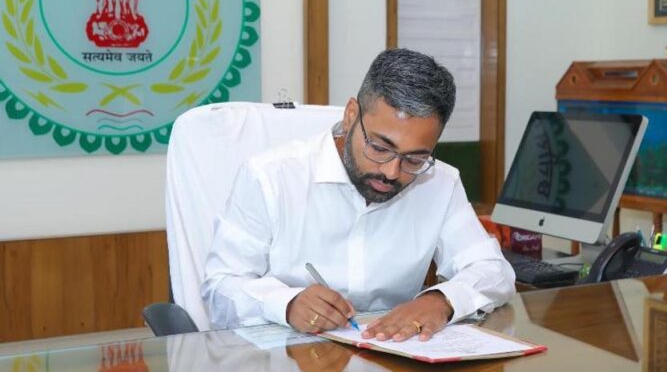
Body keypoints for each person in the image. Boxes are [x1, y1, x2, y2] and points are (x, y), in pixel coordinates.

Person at [202, 48, 515, 342]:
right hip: (288, 356)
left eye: (415, 158)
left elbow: (493, 271)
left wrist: (442, 300)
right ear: (351, 115)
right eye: (379, 147)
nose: (391, 172)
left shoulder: (439, 183)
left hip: (391, 353)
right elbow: (221, 287)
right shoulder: (271, 176)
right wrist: (286, 303)